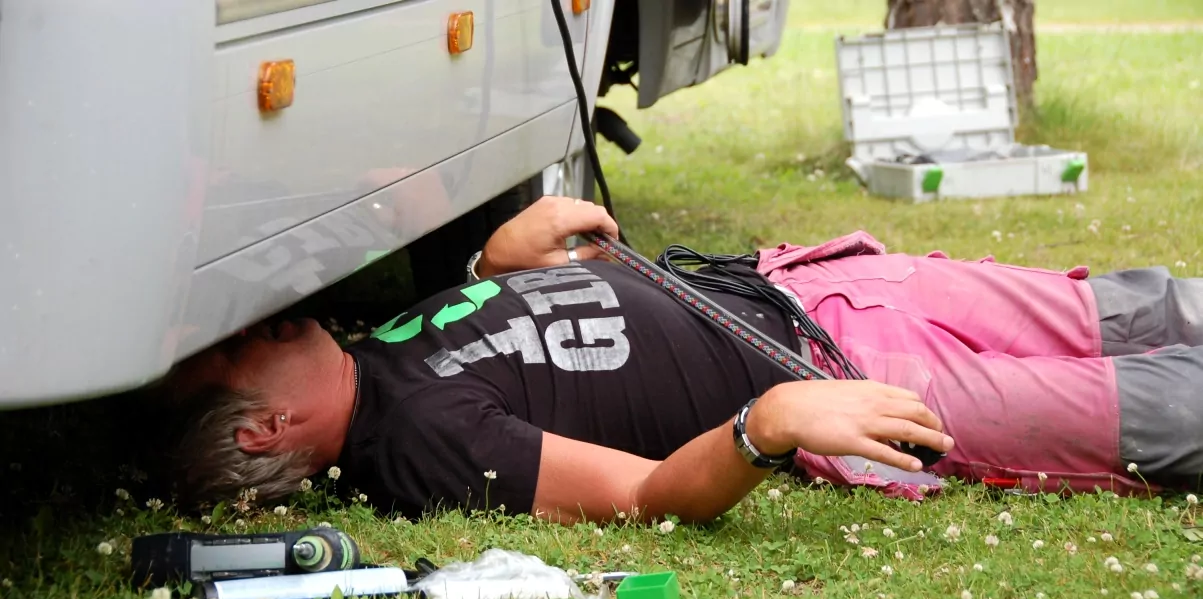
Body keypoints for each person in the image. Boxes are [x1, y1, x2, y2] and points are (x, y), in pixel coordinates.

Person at [163, 196, 1202, 524]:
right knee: (1154, 403)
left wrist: (491, 258)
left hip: (805, 289)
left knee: (1130, 304)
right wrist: (772, 426)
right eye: (232, 351)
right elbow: (647, 493)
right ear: (260, 429)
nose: (252, 321)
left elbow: (503, 327)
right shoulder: (417, 448)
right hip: (848, 391)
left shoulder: (373, 346)